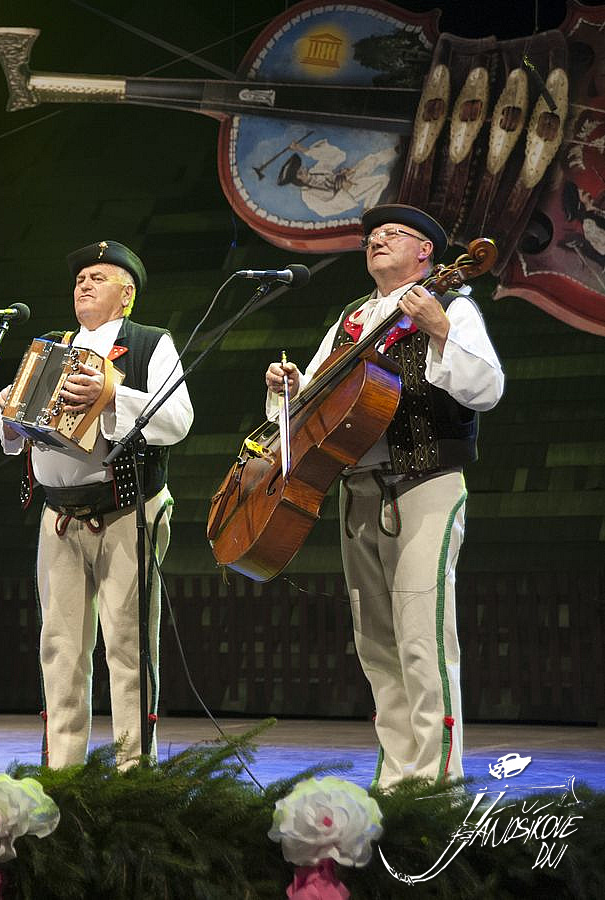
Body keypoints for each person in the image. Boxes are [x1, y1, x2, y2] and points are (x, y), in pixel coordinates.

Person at [264, 204, 503, 787]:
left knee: (422, 637)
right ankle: (396, 778)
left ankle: (437, 782)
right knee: (376, 643)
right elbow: (315, 409)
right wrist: (291, 390)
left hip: (424, 483)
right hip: (358, 490)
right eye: (373, 235)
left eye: (395, 234)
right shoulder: (351, 320)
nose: (377, 240)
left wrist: (440, 329)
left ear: (427, 252)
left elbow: (487, 388)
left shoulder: (452, 304)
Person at [0, 240, 193, 769]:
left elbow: (178, 420)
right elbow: (13, 431)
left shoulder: (150, 343)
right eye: (80, 278)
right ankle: (63, 768)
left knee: (127, 644)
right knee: (60, 646)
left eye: (98, 277)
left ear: (126, 295)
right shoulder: (52, 347)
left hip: (125, 510)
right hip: (58, 515)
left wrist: (110, 397)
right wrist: (8, 410)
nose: (84, 283)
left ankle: (133, 769)